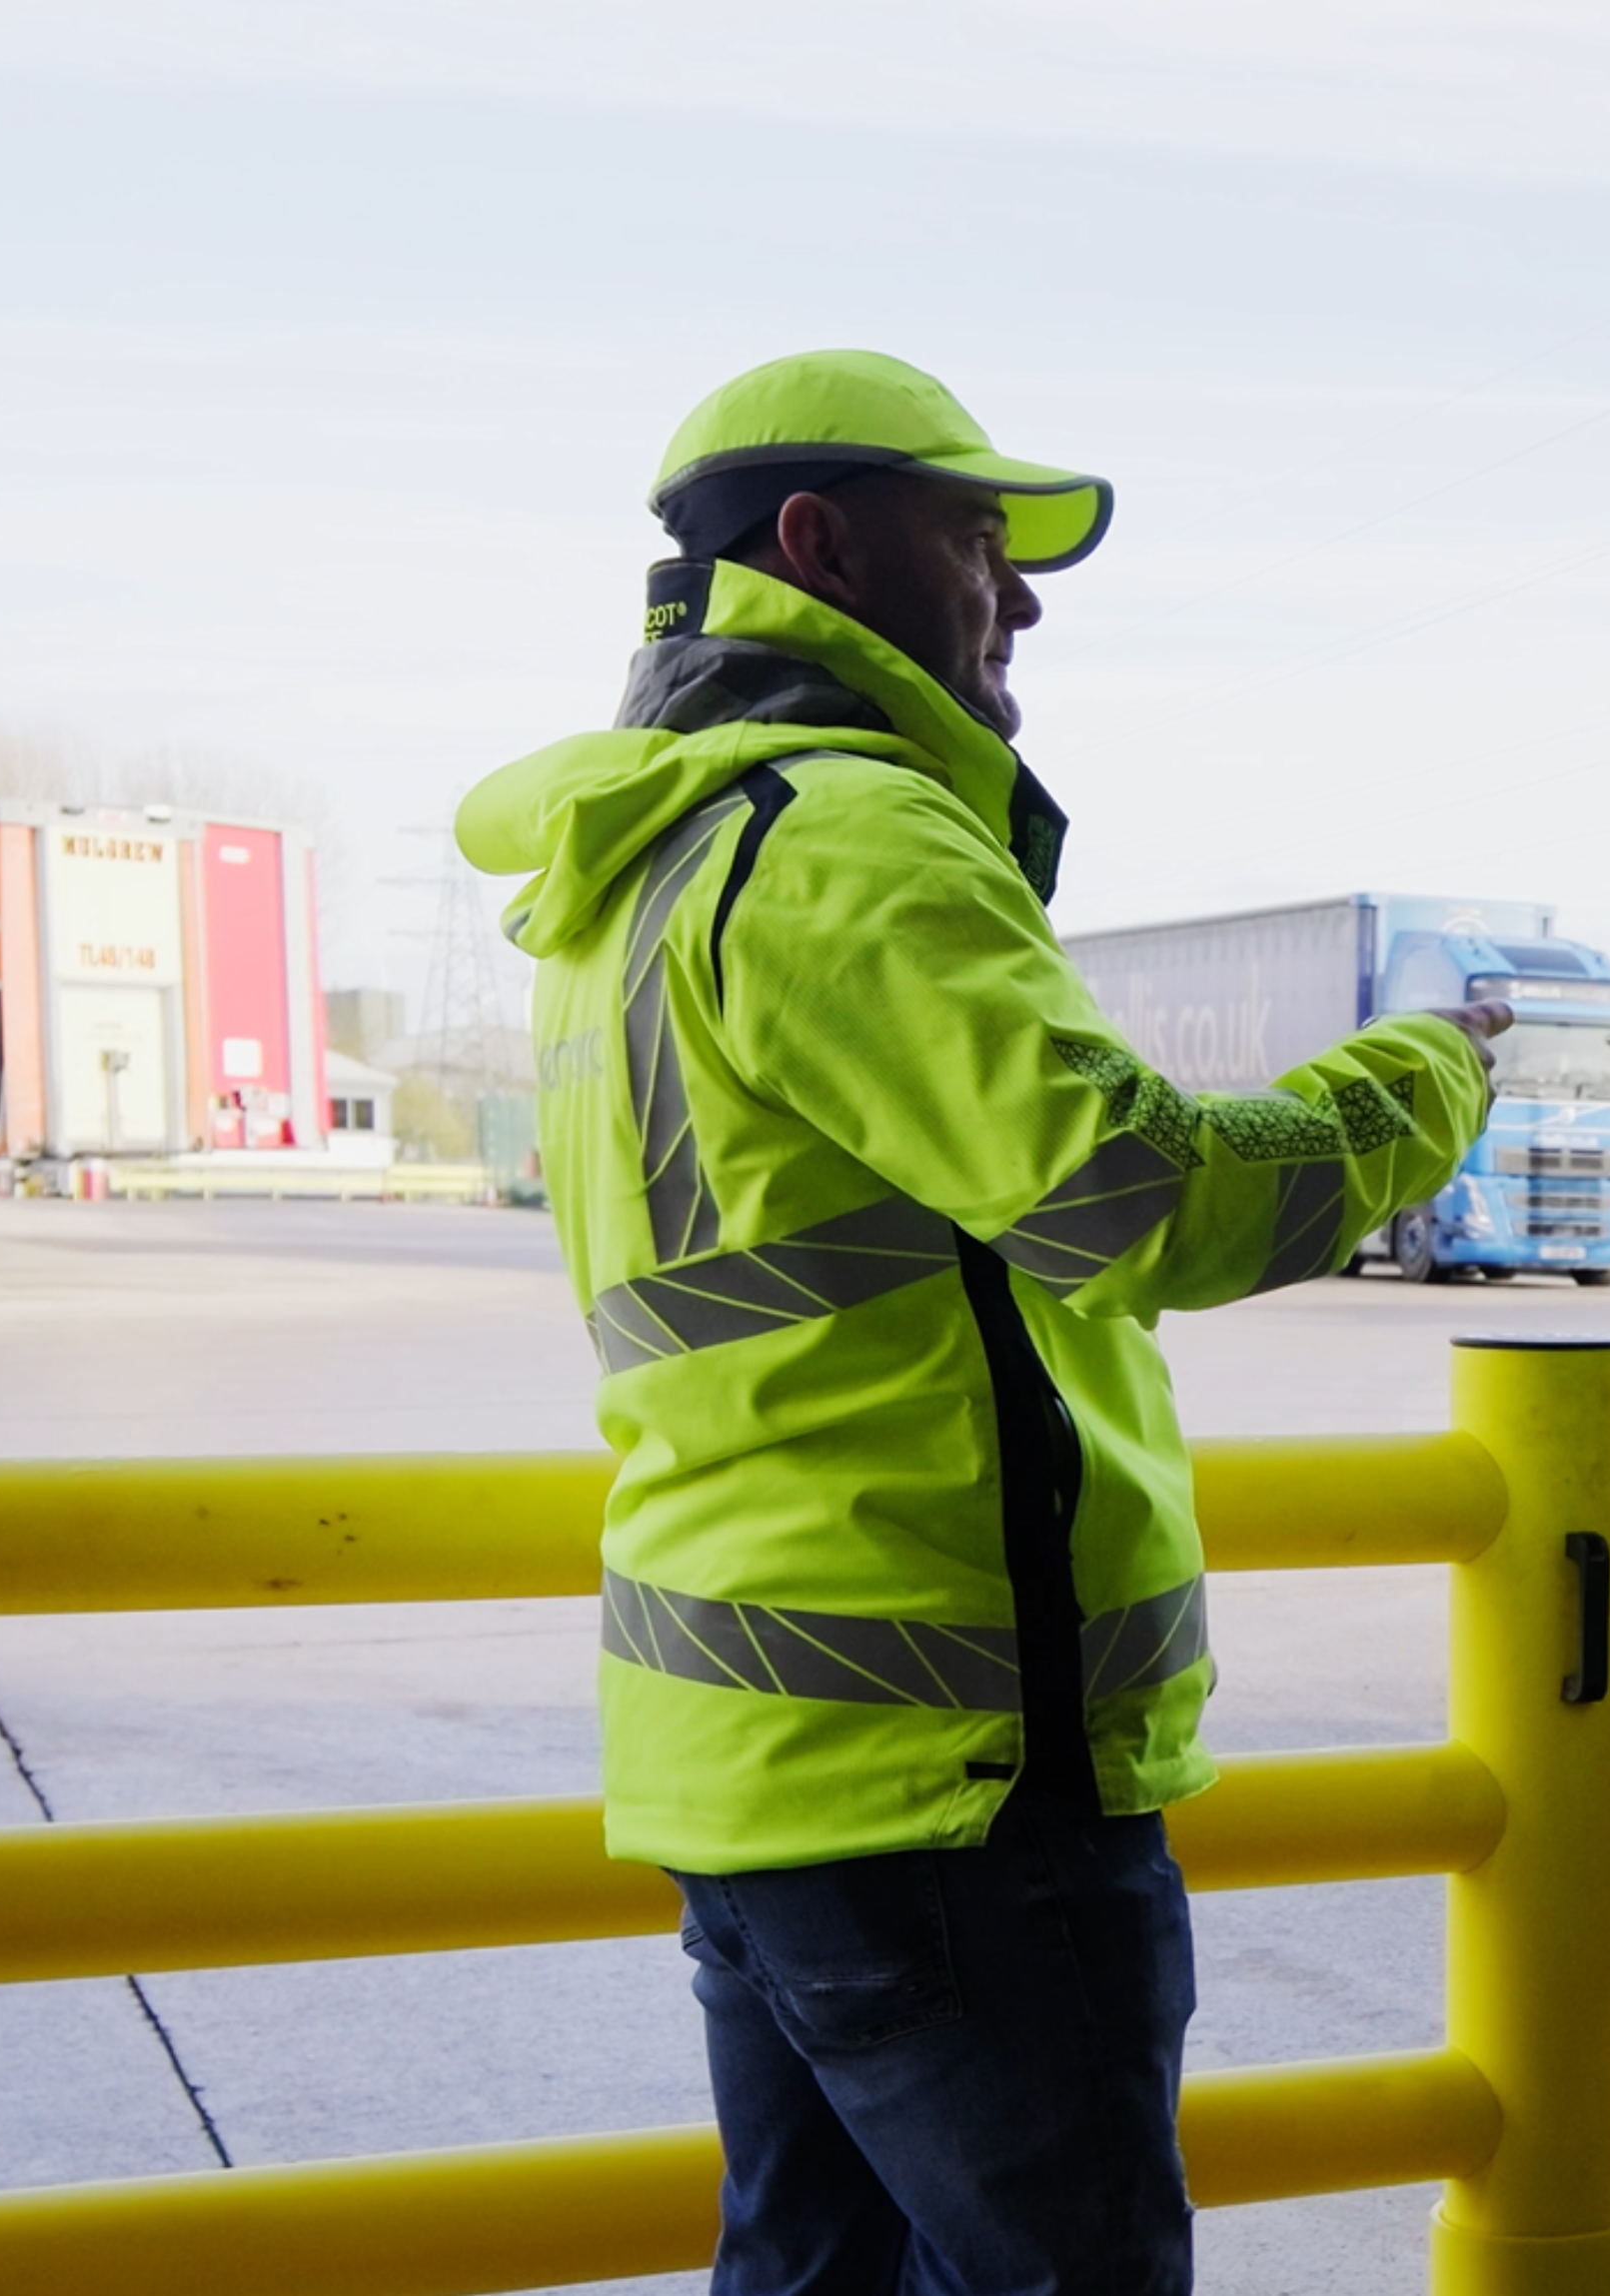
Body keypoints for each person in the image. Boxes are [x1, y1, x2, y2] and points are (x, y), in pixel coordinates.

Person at [458, 349, 1503, 2296]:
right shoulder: (846, 836)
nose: (1016, 597)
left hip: (763, 1764)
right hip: (946, 1791)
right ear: (815, 545)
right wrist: (1422, 1082)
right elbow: (1143, 1189)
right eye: (976, 540)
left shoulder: (641, 867)